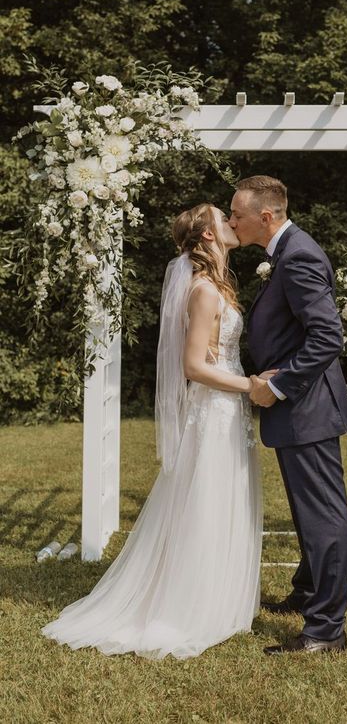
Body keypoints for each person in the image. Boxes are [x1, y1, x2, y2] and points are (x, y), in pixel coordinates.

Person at [42, 203, 264, 660]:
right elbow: (193, 366)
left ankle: (221, 598)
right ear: (206, 236)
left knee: (226, 496)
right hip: (216, 410)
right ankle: (192, 605)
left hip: (230, 409)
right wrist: (250, 385)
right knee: (206, 499)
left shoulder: (220, 284)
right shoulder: (204, 291)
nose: (231, 222)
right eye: (223, 218)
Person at [230, 175, 347, 656]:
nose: (231, 222)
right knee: (310, 514)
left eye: (237, 215)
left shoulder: (298, 254)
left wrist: (277, 386)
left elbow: (327, 336)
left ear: (266, 217)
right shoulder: (285, 252)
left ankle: (326, 630)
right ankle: (307, 593)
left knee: (324, 516)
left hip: (306, 407)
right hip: (302, 410)